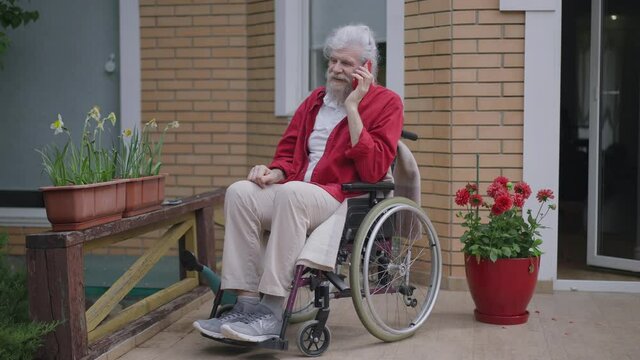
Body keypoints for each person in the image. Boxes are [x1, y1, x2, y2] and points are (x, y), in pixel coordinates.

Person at [193, 24, 403, 343]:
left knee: (292, 193)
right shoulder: (315, 100)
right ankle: (246, 303)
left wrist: (353, 108)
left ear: (366, 68)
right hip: (295, 192)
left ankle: (272, 310)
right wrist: (273, 172)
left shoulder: (387, 103)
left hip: (341, 197)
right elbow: (290, 150)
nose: (334, 68)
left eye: (345, 64)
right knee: (240, 192)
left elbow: (374, 169)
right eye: (332, 60)